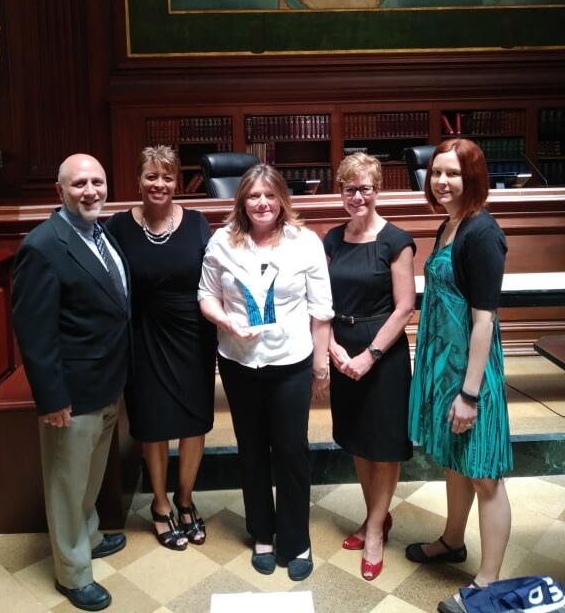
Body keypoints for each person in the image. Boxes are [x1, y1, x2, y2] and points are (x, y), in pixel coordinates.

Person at [198, 163, 334, 581]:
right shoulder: (221, 241)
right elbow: (206, 295)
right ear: (242, 201)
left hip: (290, 361)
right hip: (240, 362)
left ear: (281, 200)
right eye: (253, 196)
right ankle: (262, 534)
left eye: (269, 195)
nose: (262, 203)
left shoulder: (304, 242)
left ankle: (296, 540)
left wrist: (321, 366)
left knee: (292, 451)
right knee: (252, 448)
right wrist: (225, 322)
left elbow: (320, 308)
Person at [12, 154, 131, 612]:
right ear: (58, 191)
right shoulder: (43, 245)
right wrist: (52, 398)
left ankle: (91, 535)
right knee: (65, 482)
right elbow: (35, 332)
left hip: (106, 383)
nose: (90, 191)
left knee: (89, 477)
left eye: (97, 181)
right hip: (72, 394)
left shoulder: (103, 234)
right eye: (79, 183)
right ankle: (72, 572)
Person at [407, 138, 512, 613]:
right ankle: (452, 540)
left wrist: (469, 394)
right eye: (436, 173)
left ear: (473, 176)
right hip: (445, 368)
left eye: (453, 173)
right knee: (454, 460)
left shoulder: (482, 232)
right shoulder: (449, 224)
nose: (442, 181)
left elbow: (484, 320)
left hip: (473, 375)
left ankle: (488, 580)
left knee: (485, 474)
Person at [106, 145, 217, 550]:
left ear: (177, 182)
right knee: (151, 424)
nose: (160, 184)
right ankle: (158, 503)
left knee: (194, 422)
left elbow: (215, 276)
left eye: (167, 177)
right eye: (151, 176)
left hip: (191, 334)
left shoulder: (198, 222)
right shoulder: (117, 226)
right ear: (138, 180)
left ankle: (185, 501)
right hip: (142, 334)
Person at [324, 153, 416, 582]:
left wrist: (369, 355)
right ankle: (373, 515)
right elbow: (320, 303)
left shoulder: (396, 240)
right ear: (339, 191)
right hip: (343, 348)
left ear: (378, 190)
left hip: (383, 353)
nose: (356, 196)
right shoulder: (332, 239)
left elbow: (404, 309)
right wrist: (330, 346)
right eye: (348, 188)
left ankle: (376, 528)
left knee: (384, 443)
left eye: (364, 188)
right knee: (359, 439)